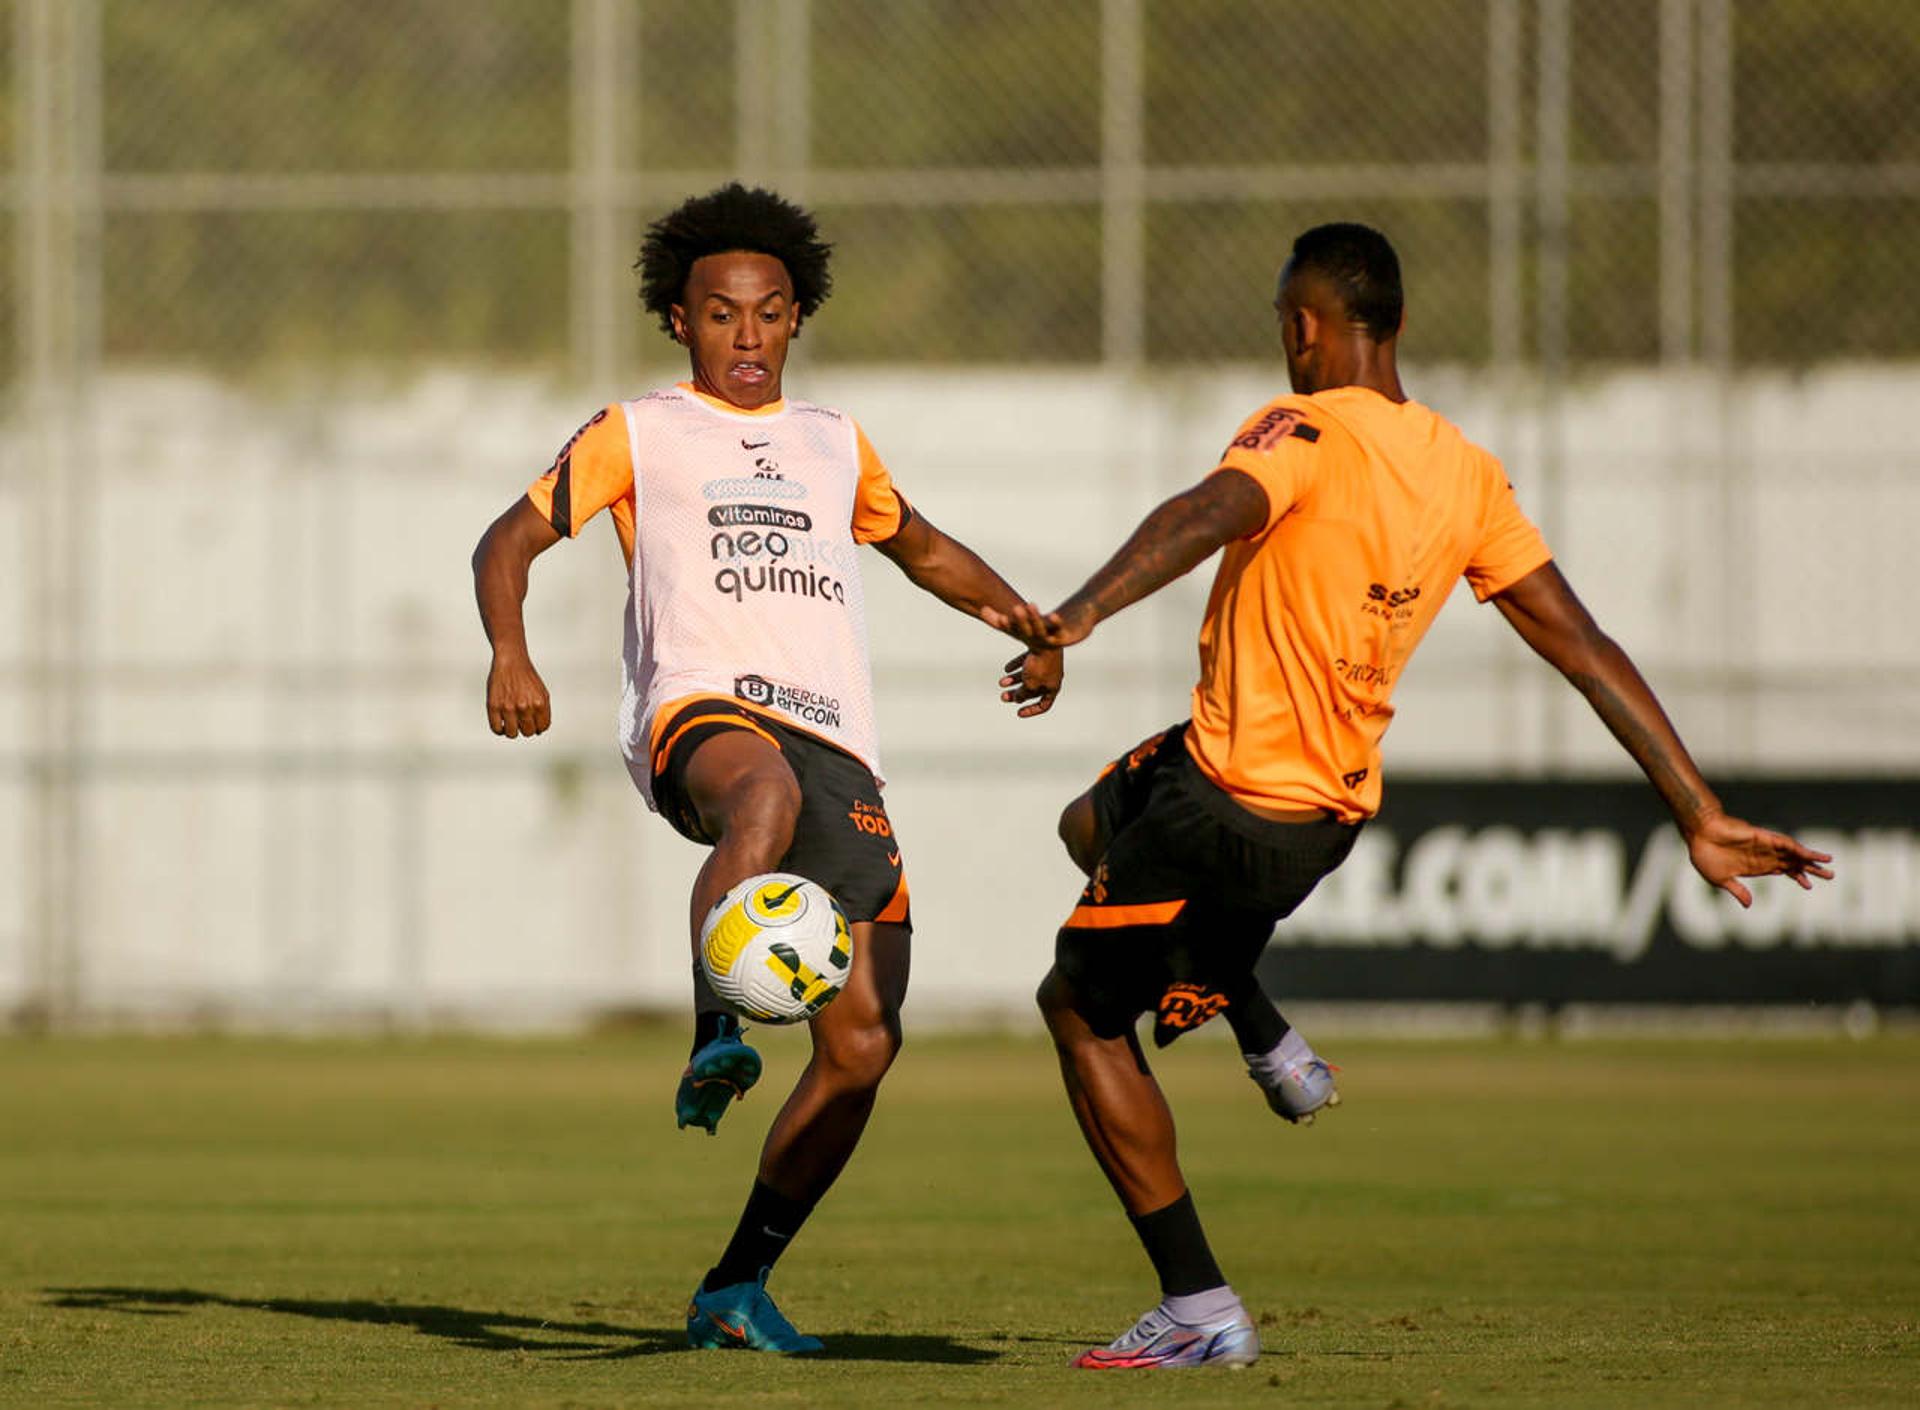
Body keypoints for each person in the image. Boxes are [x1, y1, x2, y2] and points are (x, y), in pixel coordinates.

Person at [985, 222, 1835, 1371]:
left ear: (1305, 327)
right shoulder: (1465, 471)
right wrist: (1696, 808)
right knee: (1089, 823)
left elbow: (1206, 512)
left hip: (1226, 800)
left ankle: (1198, 1305)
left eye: (1284, 324)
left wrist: (1074, 615)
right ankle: (1260, 1024)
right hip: (1322, 822)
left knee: (1079, 1009)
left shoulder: (1299, 427)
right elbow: (1580, 642)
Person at [471, 183, 1059, 1354]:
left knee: (862, 1046)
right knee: (763, 794)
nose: (748, 337)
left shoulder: (835, 443)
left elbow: (923, 547)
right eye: (723, 314)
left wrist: (1026, 622)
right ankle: (713, 1034)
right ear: (678, 322)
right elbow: (508, 538)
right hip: (703, 714)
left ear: (799, 319)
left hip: (839, 740)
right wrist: (509, 651)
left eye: (771, 313)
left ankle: (736, 1285)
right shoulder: (636, 431)